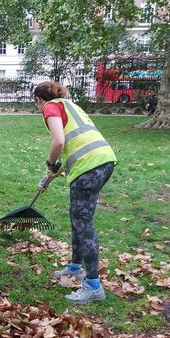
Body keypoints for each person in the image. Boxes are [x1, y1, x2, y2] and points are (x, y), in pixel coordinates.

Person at [34, 82, 117, 304]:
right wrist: (50, 176)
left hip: (89, 167)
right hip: (103, 160)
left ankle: (93, 285)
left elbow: (59, 142)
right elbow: (74, 147)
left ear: (39, 100)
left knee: (83, 223)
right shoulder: (70, 106)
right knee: (78, 218)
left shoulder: (50, 107)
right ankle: (74, 267)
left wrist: (49, 163)